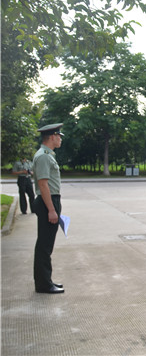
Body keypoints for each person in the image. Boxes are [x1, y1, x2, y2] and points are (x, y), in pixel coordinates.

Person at [32, 123, 65, 294]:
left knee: (46, 244)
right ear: (52, 136)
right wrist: (52, 210)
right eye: (59, 136)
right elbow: (43, 184)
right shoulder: (44, 156)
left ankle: (46, 280)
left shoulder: (47, 155)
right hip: (48, 202)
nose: (60, 139)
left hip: (50, 201)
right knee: (44, 245)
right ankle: (44, 284)